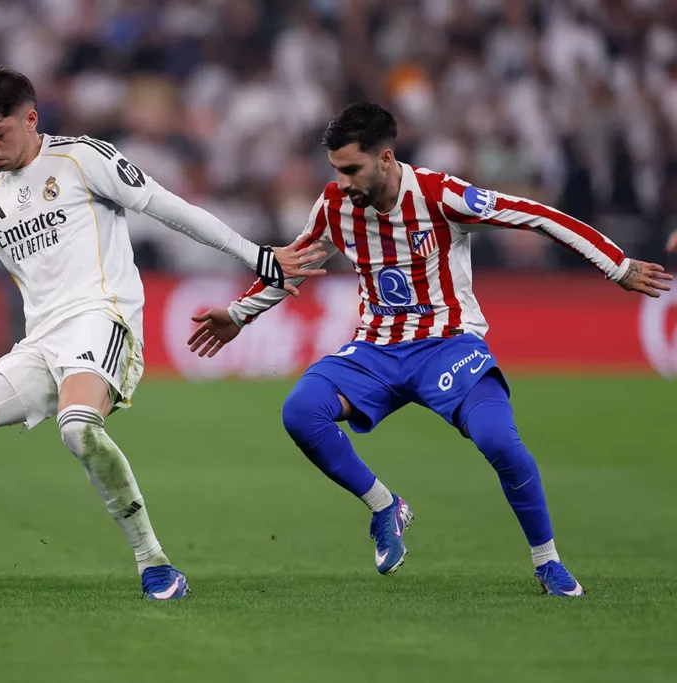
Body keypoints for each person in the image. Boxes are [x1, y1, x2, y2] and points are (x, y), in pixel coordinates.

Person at [0, 66, 323, 601]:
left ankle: (154, 562)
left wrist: (258, 257)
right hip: (41, 344)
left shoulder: (83, 159)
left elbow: (171, 208)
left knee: (77, 428)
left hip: (103, 319)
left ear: (31, 119)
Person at [187, 102, 672, 597]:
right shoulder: (334, 206)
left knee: (500, 442)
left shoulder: (441, 195)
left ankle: (547, 562)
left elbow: (535, 215)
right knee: (300, 411)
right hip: (376, 350)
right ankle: (385, 506)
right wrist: (239, 314)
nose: (342, 182)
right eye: (335, 170)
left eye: (351, 169)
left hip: (448, 345)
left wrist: (615, 265)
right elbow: (294, 263)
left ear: (386, 158)